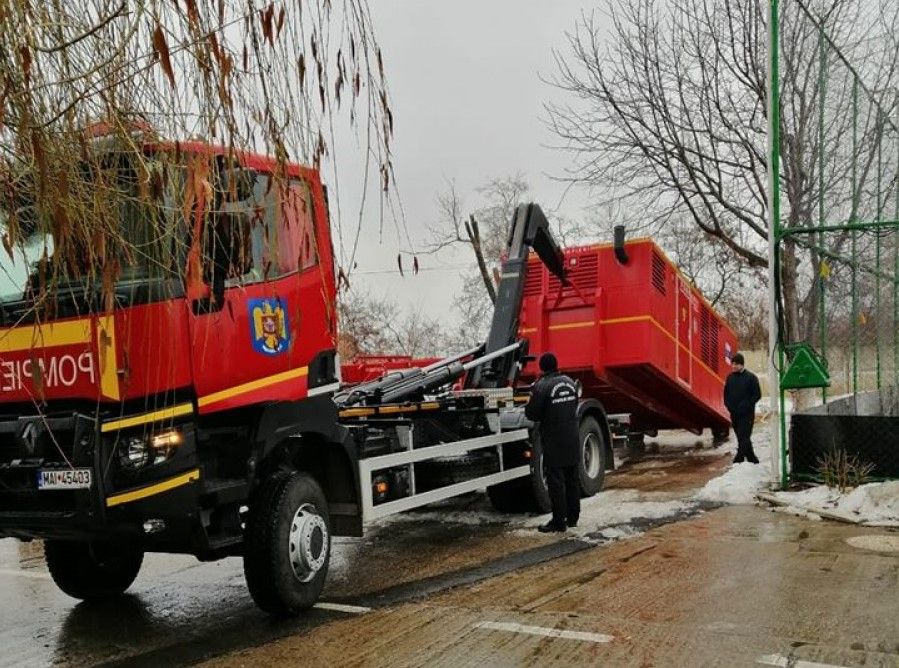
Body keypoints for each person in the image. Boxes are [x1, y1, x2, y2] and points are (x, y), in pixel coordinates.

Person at [525, 352, 580, 533]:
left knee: (556, 482)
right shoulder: (570, 383)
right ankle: (573, 517)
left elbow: (532, 414)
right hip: (572, 437)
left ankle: (558, 521)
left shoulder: (542, 386)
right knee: (572, 478)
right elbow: (574, 405)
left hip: (554, 440)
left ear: (542, 367)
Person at [723, 352, 762, 464]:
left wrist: (747, 405)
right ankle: (752, 459)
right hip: (734, 413)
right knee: (741, 437)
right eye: (733, 364)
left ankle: (738, 459)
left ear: (742, 364)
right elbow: (726, 393)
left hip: (747, 414)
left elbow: (757, 394)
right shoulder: (730, 378)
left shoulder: (751, 378)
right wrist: (728, 405)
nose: (734, 366)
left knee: (744, 436)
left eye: (736, 364)